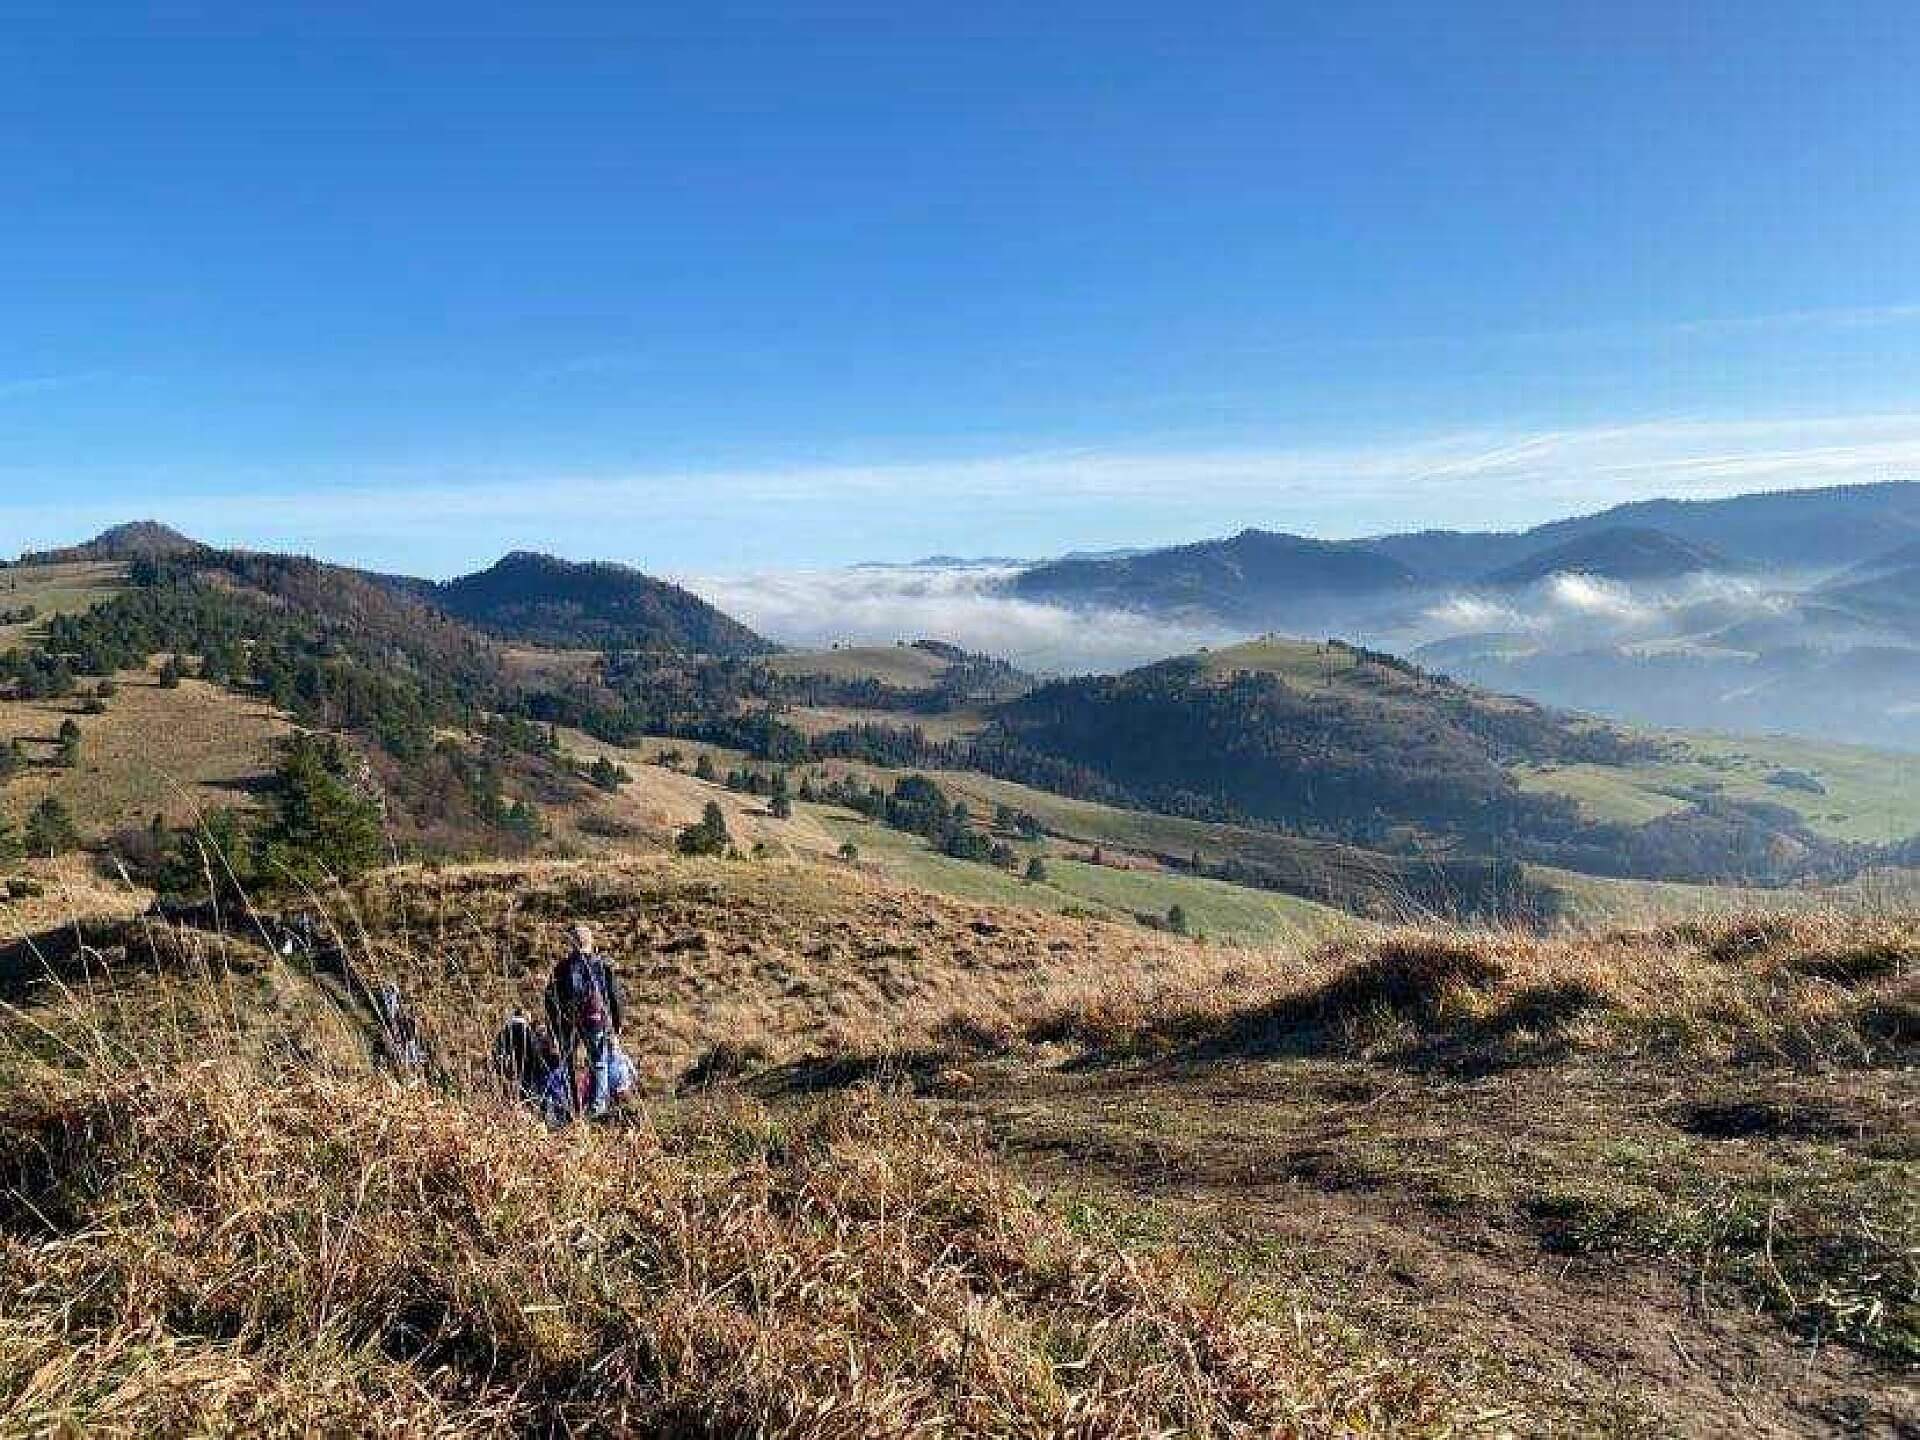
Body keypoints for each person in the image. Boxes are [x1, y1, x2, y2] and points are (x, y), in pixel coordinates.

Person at [547, 922, 624, 1119]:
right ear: (591, 942)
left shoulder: (562, 968)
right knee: (598, 1063)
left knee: (568, 1065)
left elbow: (550, 999)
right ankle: (597, 1107)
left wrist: (553, 1027)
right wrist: (616, 1026)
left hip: (567, 1023)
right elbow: (614, 997)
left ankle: (572, 1107)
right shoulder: (602, 966)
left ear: (572, 944)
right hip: (595, 1021)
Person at [492, 1010, 548, 1103]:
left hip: (510, 1067)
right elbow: (532, 1050)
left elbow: (496, 1050)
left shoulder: (504, 1031)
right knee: (528, 1089)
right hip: (527, 1066)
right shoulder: (525, 1030)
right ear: (525, 1017)